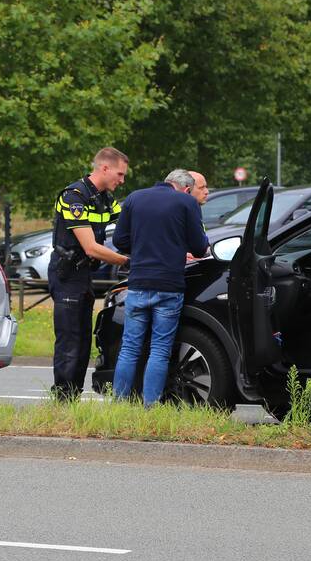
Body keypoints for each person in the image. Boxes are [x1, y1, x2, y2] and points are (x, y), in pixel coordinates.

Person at [111, 168, 209, 406]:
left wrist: (144, 246)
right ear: (186, 188)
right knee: (160, 350)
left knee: (130, 348)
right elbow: (199, 247)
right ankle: (150, 405)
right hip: (169, 286)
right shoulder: (187, 202)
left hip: (138, 283)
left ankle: (119, 404)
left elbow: (119, 241)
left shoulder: (135, 197)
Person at [48, 147, 130, 399]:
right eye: (120, 173)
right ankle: (63, 397)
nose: (122, 180)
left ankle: (73, 394)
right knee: (70, 339)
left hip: (84, 275)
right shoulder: (74, 196)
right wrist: (129, 260)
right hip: (67, 275)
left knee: (83, 339)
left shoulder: (104, 198)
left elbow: (131, 220)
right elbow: (91, 247)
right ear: (104, 168)